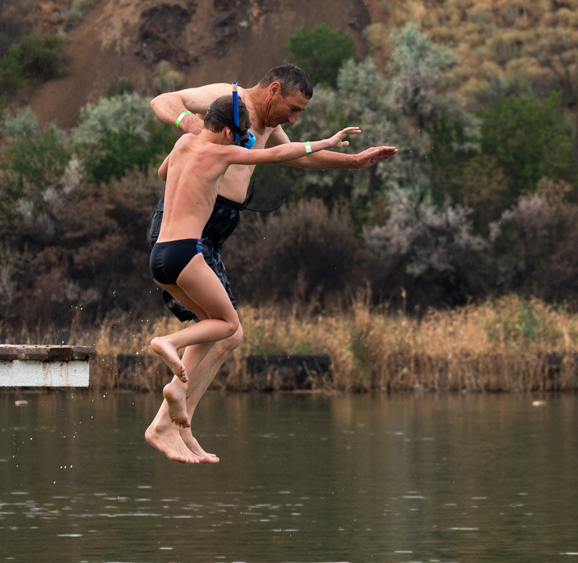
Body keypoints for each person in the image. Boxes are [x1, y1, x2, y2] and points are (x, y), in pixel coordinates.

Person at [144, 63, 397, 463]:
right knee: (225, 329)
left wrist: (354, 162)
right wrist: (189, 124)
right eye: (292, 109)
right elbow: (162, 100)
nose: (293, 119)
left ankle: (179, 422)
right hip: (189, 231)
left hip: (208, 231)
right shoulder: (231, 103)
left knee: (226, 335)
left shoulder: (263, 127)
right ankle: (169, 419)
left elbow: (292, 156)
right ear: (273, 90)